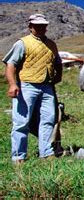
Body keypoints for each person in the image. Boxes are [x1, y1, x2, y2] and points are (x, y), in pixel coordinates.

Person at [3, 14, 63, 164]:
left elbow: (58, 62)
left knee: (48, 120)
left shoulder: (52, 44)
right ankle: (18, 157)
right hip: (27, 85)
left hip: (47, 86)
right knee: (21, 122)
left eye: (43, 25)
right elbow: (11, 65)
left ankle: (46, 153)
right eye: (37, 25)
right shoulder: (22, 43)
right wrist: (12, 84)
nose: (41, 28)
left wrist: (59, 75)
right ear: (30, 26)